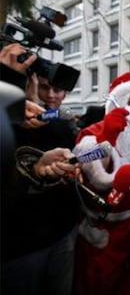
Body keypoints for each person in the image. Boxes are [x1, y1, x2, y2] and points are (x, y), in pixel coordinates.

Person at [73, 76, 130, 295]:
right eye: (128, 103)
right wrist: (107, 139)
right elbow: (87, 165)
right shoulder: (95, 132)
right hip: (107, 238)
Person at [1, 43, 80, 295]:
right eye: (44, 87)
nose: (51, 95)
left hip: (63, 234)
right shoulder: (9, 120)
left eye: (58, 90)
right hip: (20, 245)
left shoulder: (65, 128)